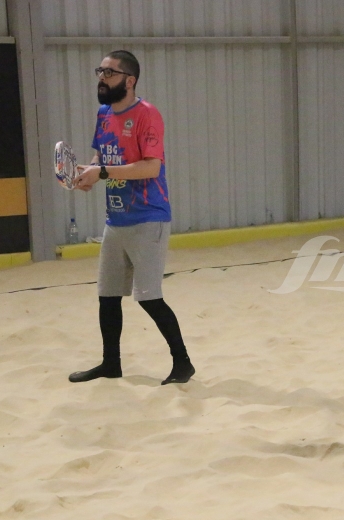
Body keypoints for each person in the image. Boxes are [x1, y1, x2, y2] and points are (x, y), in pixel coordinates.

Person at [68, 50, 195, 386]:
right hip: (116, 219)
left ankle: (183, 364)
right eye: (100, 71)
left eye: (109, 73)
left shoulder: (147, 114)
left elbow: (151, 167)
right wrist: (88, 172)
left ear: (130, 80)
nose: (102, 78)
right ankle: (111, 364)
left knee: (149, 297)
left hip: (149, 217)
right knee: (108, 295)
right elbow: (102, 156)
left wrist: (102, 172)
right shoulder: (103, 114)